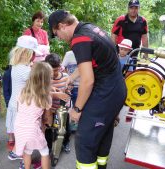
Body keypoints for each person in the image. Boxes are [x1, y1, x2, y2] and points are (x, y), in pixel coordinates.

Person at [48, 10, 127, 169]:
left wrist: (77, 109)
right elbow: (90, 62)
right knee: (103, 133)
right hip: (117, 90)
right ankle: (101, 165)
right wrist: (71, 77)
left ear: (62, 26)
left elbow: (88, 81)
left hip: (106, 93)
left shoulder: (79, 39)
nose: (59, 38)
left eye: (56, 34)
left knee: (85, 140)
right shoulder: (90, 29)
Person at [6, 35, 42, 160]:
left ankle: (16, 151)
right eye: (33, 54)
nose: (35, 57)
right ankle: (19, 155)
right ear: (28, 54)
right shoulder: (25, 71)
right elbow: (38, 86)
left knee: (18, 131)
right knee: (24, 132)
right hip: (20, 106)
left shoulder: (16, 66)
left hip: (14, 103)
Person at [14, 62, 52, 169]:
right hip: (32, 129)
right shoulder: (45, 96)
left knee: (27, 151)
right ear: (47, 79)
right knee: (44, 151)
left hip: (19, 127)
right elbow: (48, 118)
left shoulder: (22, 91)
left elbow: (19, 110)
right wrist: (47, 123)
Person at [45, 53, 71, 153]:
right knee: (49, 128)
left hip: (63, 109)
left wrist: (68, 90)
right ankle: (49, 146)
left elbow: (68, 92)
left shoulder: (65, 77)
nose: (54, 73)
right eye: (51, 71)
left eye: (56, 70)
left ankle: (66, 142)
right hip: (50, 109)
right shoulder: (46, 79)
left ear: (60, 67)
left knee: (64, 128)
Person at [61, 50, 79, 131]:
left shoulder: (88, 54)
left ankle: (75, 123)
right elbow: (63, 67)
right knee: (71, 105)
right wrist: (68, 80)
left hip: (82, 86)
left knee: (78, 106)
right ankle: (72, 123)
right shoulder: (69, 54)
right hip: (72, 85)